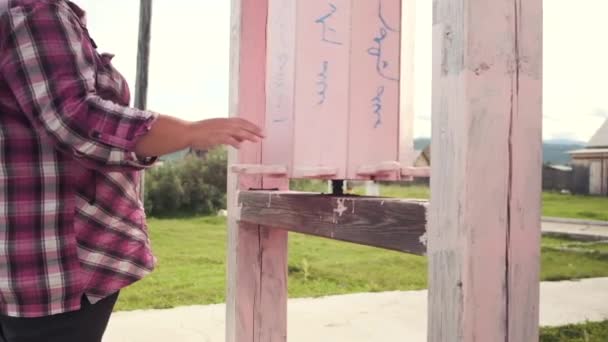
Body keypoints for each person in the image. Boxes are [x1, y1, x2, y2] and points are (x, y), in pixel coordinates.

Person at [0, 0, 264, 341]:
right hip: (62, 263)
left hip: (30, 261)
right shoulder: (37, 12)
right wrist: (189, 132)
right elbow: (75, 118)